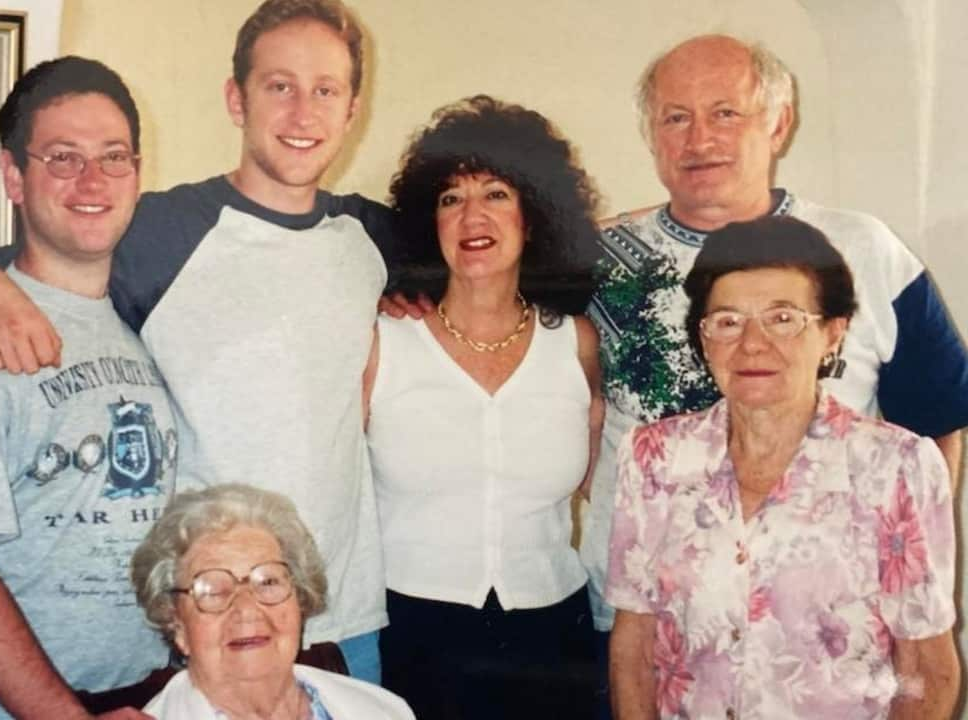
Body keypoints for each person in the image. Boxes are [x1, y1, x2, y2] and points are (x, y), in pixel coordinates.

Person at [0, 0, 394, 681]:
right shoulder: (159, 230)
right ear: (236, 98)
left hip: (348, 622)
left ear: (352, 108)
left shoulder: (368, 240)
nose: (302, 114)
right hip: (211, 623)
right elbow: (0, 275)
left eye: (325, 91)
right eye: (278, 86)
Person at [580, 33, 968, 659]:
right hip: (644, 624)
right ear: (652, 135)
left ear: (779, 123)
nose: (699, 139)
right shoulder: (598, 262)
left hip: (831, 637)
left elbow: (937, 426)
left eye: (725, 113)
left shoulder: (865, 251)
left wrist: (904, 579)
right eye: (675, 118)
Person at [0, 57, 174, 720]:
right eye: (63, 157)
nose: (93, 180)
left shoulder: (134, 335)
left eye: (114, 156)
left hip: (128, 699)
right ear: (14, 176)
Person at [606, 215, 959, 719]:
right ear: (704, 340)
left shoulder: (895, 467)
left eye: (783, 318)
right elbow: (634, 647)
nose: (752, 344)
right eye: (728, 321)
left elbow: (927, 664)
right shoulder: (654, 458)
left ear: (833, 334)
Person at [363, 95, 603, 717]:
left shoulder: (576, 343)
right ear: (427, 221)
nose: (473, 215)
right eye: (450, 197)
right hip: (412, 638)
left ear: (535, 213)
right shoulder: (381, 339)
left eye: (495, 192)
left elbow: (590, 480)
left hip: (554, 635)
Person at [132, 484, 416, 719]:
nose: (246, 610)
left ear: (300, 600)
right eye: (214, 590)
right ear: (175, 622)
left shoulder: (384, 710)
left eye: (268, 582)